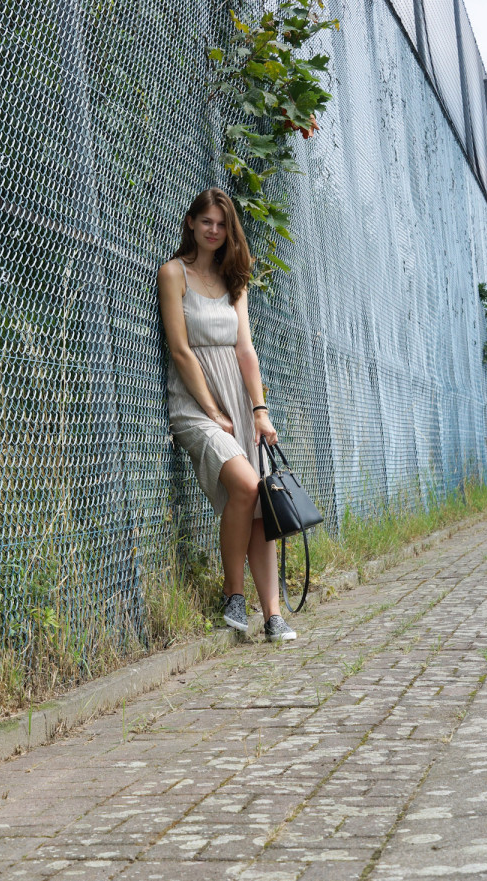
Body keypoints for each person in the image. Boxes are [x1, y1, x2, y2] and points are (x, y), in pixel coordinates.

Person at [158, 187, 296, 642]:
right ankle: (233, 594)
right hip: (196, 405)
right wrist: (213, 410)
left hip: (238, 402)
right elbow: (180, 350)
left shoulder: (235, 279)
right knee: (246, 484)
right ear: (191, 224)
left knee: (258, 508)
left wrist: (260, 411)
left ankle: (273, 615)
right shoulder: (173, 273)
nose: (214, 230)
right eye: (206, 222)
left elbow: (246, 350)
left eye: (222, 224)